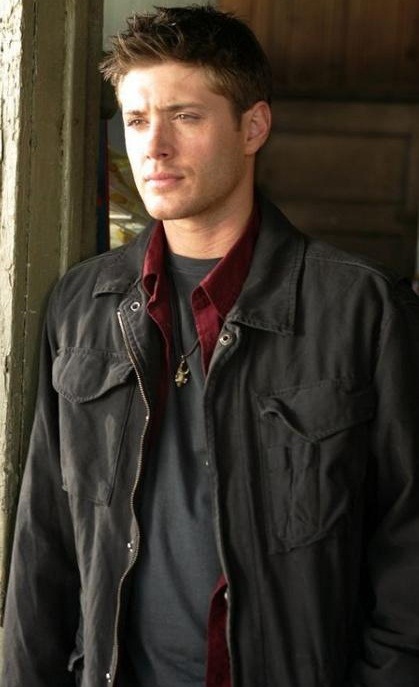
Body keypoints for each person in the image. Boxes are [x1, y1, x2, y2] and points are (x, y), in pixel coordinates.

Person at [3, 4, 419, 687]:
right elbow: (42, 540)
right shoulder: (82, 304)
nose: (154, 147)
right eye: (137, 120)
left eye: (185, 117)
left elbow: (407, 554)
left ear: (253, 127)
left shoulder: (362, 308)